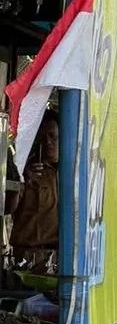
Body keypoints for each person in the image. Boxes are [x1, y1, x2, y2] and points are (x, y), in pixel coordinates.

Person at [9, 110, 59, 275]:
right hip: (28, 260)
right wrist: (22, 181)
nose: (49, 143)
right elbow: (9, 209)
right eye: (44, 138)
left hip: (59, 260)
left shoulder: (72, 175)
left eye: (54, 137)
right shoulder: (29, 172)